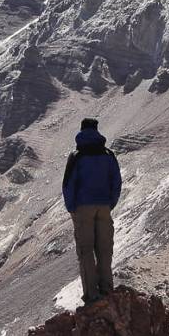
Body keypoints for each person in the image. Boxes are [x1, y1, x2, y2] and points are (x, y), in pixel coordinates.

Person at [62, 118, 122, 304]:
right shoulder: (108, 154)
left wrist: (72, 208)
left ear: (81, 131)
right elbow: (117, 181)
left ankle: (92, 295)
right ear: (97, 131)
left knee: (86, 251)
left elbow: (68, 185)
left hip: (82, 208)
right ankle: (107, 290)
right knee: (104, 250)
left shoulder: (77, 156)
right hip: (104, 206)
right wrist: (109, 203)